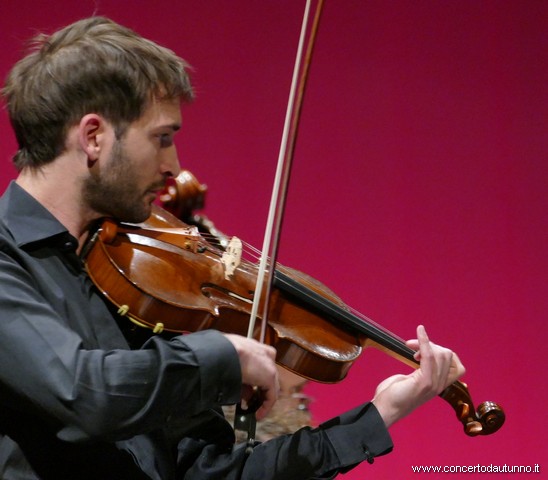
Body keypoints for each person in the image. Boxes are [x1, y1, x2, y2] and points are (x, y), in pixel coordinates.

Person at [0, 16, 465, 479]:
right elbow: (84, 392)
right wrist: (224, 356)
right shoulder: (7, 260)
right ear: (94, 136)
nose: (174, 165)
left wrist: (379, 415)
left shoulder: (126, 273)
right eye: (162, 139)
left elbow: (207, 473)